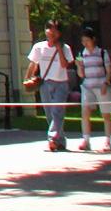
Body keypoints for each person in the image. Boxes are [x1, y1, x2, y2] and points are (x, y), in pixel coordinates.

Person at [25, 19, 74, 152]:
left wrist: (58, 49)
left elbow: (65, 65)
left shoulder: (65, 48)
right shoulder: (39, 47)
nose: (52, 32)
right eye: (49, 28)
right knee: (49, 114)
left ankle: (52, 138)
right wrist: (27, 78)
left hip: (61, 83)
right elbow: (33, 63)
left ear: (59, 33)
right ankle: (61, 141)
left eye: (55, 29)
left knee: (57, 111)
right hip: (45, 83)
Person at [75, 24, 111, 153]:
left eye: (87, 40)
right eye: (83, 41)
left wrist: (105, 83)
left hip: (101, 86)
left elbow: (109, 71)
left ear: (93, 39)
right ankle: (86, 140)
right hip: (88, 86)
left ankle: (108, 142)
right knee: (85, 112)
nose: (85, 43)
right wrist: (79, 66)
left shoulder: (102, 53)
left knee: (106, 115)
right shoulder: (81, 54)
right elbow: (81, 74)